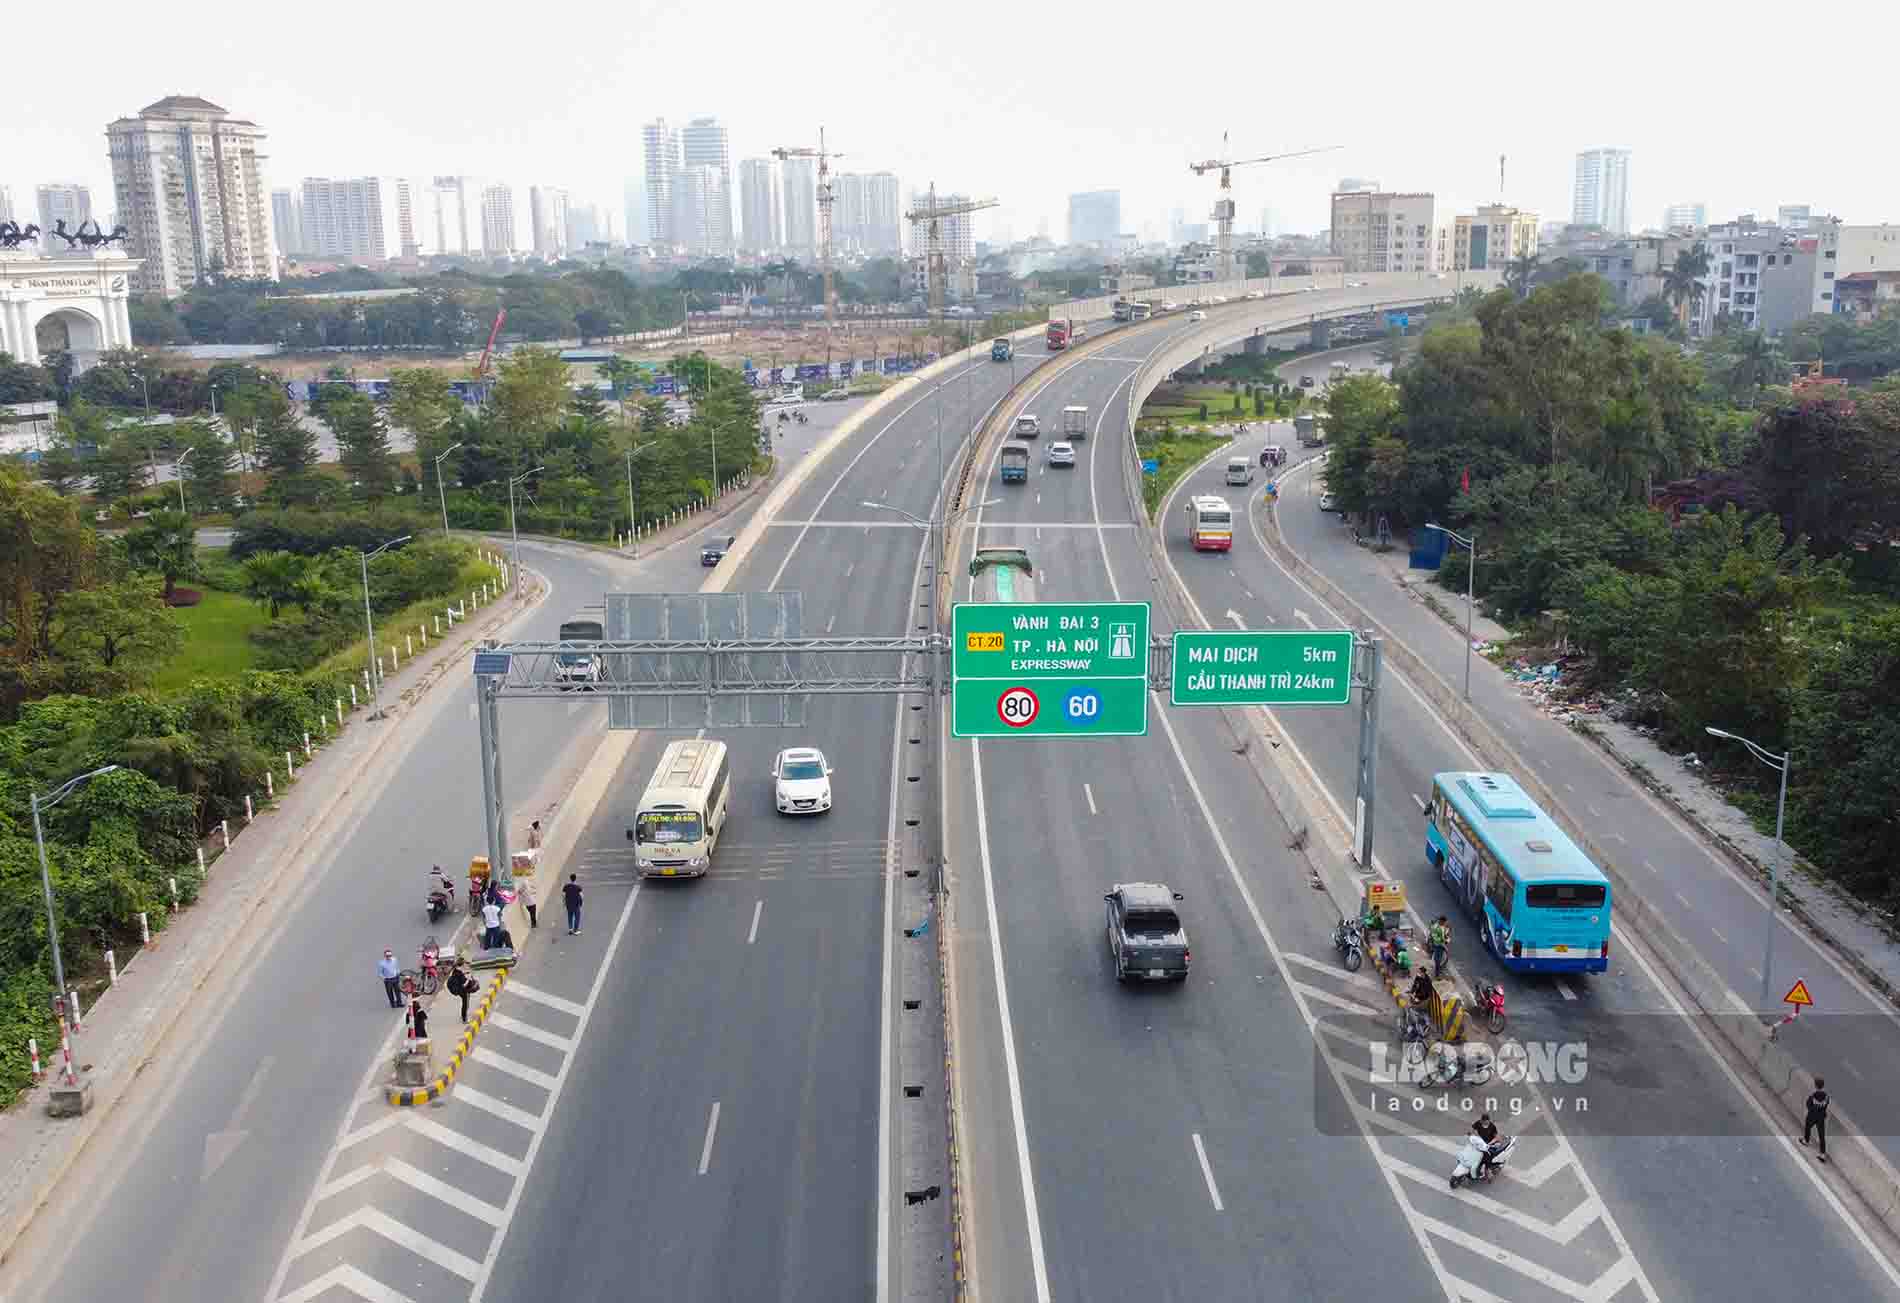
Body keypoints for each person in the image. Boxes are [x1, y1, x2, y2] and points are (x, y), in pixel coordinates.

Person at [1802, 1078, 1829, 1162]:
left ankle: (1806, 1140)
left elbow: (1808, 1104)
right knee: (1821, 1136)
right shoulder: (1826, 1096)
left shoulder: (1813, 1095)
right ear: (1823, 1086)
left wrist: (1812, 1110)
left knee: (1807, 1127)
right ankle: (1823, 1154)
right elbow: (1826, 1104)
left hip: (1812, 1116)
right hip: (1821, 1118)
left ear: (1816, 1085)